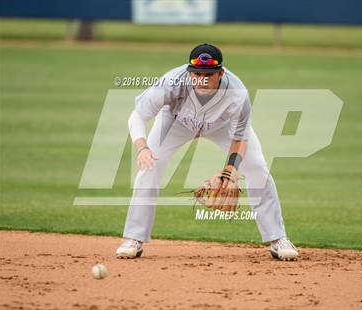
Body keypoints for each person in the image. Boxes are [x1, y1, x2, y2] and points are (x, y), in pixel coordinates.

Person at [116, 43, 298, 260]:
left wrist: (230, 169)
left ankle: (278, 238)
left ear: (220, 73)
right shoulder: (171, 83)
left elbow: (240, 137)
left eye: (208, 74)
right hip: (175, 122)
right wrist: (142, 148)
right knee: (149, 167)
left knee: (258, 168)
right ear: (188, 71)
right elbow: (137, 116)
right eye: (197, 73)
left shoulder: (237, 93)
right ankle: (133, 238)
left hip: (222, 126)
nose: (202, 79)